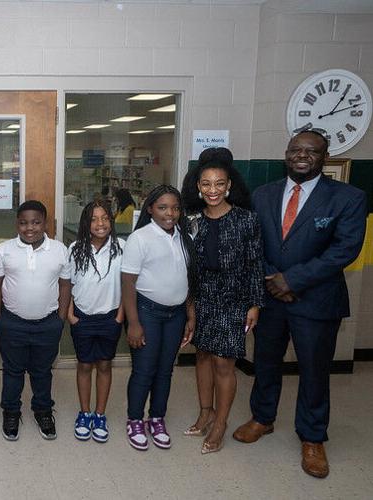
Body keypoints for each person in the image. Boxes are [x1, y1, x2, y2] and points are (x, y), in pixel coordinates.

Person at [232, 130, 367, 478]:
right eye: (295, 150)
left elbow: (344, 250)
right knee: (265, 362)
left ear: (324, 156)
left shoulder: (347, 198)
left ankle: (312, 437)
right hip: (270, 298)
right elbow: (252, 244)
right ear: (286, 153)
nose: (301, 156)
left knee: (314, 371)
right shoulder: (263, 195)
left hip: (317, 301)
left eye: (311, 151)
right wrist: (273, 279)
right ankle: (263, 418)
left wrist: (292, 280)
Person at [180, 148, 264, 454]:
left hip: (233, 300)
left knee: (223, 363)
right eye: (206, 184)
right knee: (202, 356)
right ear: (198, 187)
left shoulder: (247, 220)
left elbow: (256, 264)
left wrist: (254, 303)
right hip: (201, 298)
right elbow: (186, 266)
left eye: (219, 184)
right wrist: (188, 304)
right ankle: (206, 411)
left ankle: (221, 422)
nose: (212, 190)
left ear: (229, 186)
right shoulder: (191, 222)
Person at [121, 185, 196, 451]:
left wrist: (190, 314)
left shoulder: (184, 236)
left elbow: (187, 280)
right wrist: (134, 323)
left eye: (175, 208)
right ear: (150, 208)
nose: (170, 213)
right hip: (147, 313)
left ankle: (157, 418)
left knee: (165, 371)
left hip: (175, 315)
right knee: (144, 370)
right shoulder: (140, 238)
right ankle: (135, 420)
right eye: (163, 207)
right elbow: (128, 282)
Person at [0, 200, 71, 441]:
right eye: (24, 223)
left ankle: (43, 410)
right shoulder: (4, 250)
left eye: (36, 222)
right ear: (17, 224)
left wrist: (60, 317)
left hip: (48, 323)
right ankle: (11, 412)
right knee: (13, 371)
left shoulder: (59, 250)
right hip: (12, 323)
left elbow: (65, 285)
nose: (30, 228)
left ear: (45, 223)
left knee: (42, 371)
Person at [66, 199, 124, 443]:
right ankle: (85, 412)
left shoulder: (122, 247)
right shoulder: (75, 248)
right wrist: (70, 315)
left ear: (111, 221)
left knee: (104, 366)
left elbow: (128, 284)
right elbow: (69, 285)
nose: (100, 223)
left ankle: (100, 414)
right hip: (82, 318)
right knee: (84, 366)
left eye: (105, 218)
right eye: (94, 219)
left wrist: (120, 316)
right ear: (86, 223)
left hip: (110, 318)